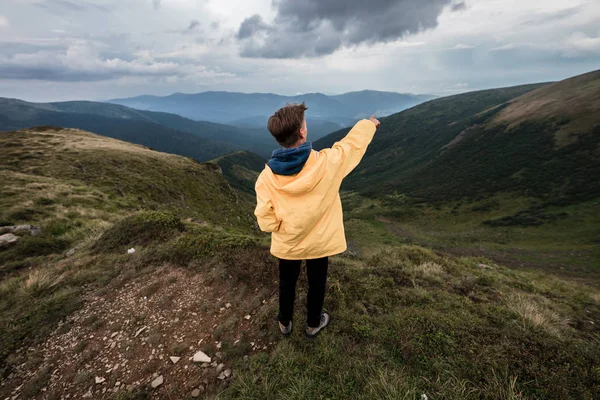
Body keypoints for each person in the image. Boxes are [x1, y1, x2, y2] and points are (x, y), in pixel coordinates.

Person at [254, 102, 380, 337]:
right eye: (305, 124)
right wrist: (368, 125)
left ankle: (284, 322)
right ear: (302, 132)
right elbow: (350, 146)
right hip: (319, 242)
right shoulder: (327, 163)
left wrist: (280, 227)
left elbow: (265, 220)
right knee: (317, 281)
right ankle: (313, 323)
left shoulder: (266, 177)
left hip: (288, 243)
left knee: (286, 282)